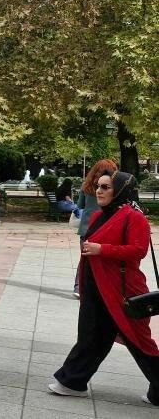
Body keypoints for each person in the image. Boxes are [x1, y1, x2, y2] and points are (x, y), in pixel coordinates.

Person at [50, 171, 158, 406]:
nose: (99, 191)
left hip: (122, 290)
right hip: (98, 288)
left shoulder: (134, 217)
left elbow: (138, 251)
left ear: (120, 190)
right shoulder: (102, 215)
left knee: (138, 341)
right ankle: (72, 382)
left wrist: (102, 249)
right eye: (99, 186)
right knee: (92, 336)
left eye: (106, 187)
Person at [72, 159, 119, 298]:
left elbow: (80, 205)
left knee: (85, 258)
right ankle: (99, 287)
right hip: (105, 226)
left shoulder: (86, 186)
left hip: (86, 227)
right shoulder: (112, 186)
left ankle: (78, 287)